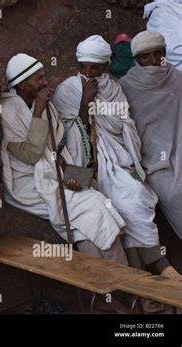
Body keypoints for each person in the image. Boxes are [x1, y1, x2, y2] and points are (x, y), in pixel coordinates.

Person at [53, 35, 181, 285]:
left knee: (135, 197)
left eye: (96, 68)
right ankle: (154, 269)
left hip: (116, 161)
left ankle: (150, 274)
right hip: (84, 165)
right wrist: (84, 106)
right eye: (84, 67)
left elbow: (126, 126)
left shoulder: (114, 89)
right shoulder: (68, 89)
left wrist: (105, 115)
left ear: (105, 67)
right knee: (121, 204)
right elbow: (63, 135)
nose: (89, 73)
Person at [0, 53, 127, 265]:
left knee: (92, 198)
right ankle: (124, 284)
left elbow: (56, 148)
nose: (45, 82)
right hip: (29, 182)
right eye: (38, 79)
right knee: (93, 204)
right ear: (22, 84)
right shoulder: (7, 110)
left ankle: (110, 288)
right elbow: (30, 155)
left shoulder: (45, 104)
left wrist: (70, 174)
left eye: (43, 76)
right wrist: (39, 108)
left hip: (54, 170)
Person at [119, 31, 182, 240]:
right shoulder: (127, 86)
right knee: (174, 194)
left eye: (158, 53)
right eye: (146, 56)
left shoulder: (176, 78)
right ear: (136, 60)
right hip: (155, 162)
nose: (154, 60)